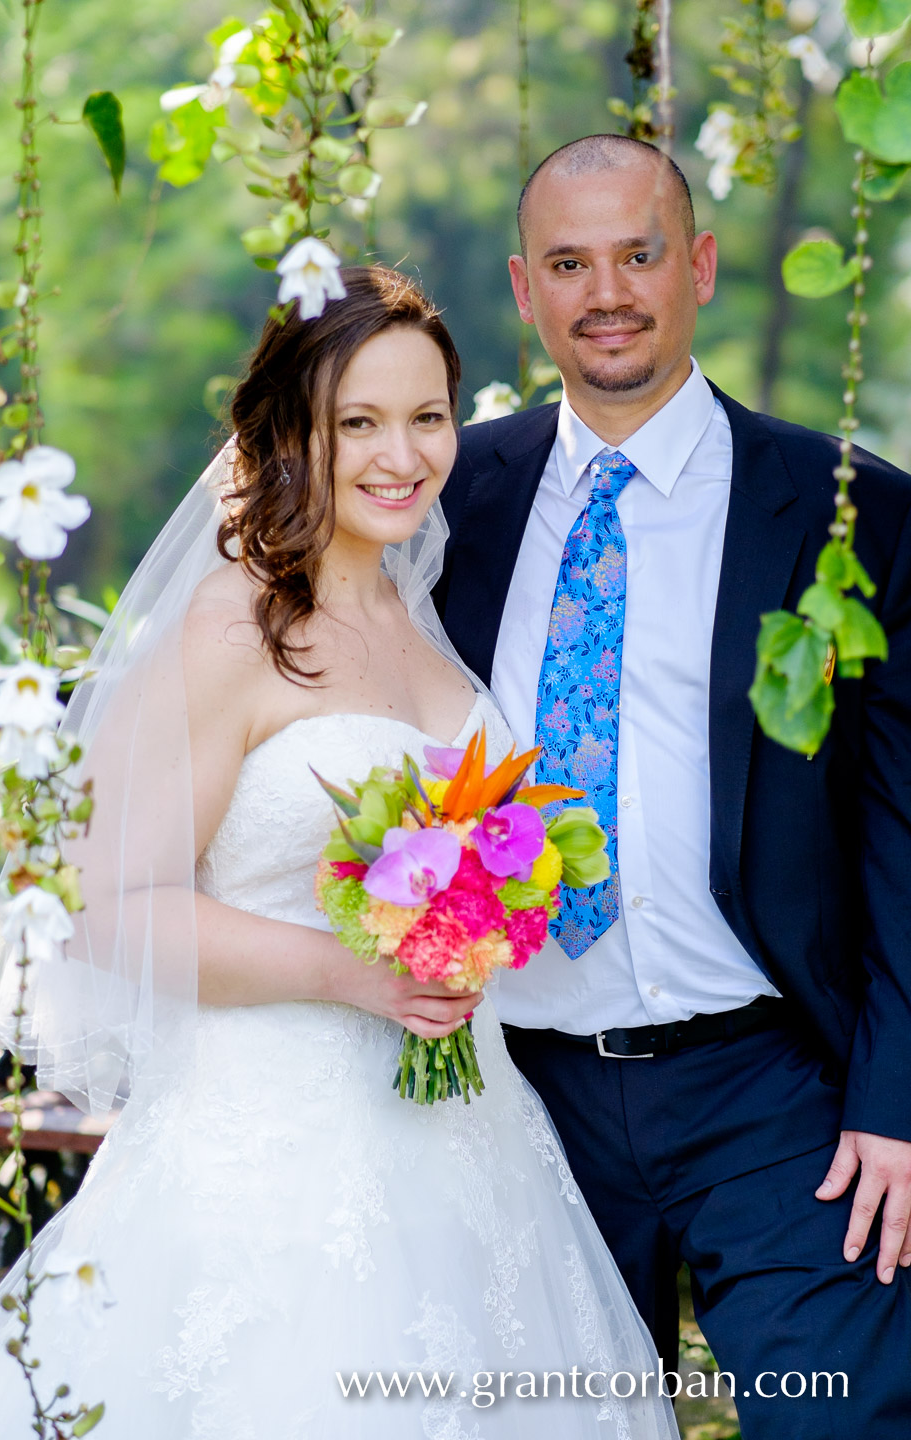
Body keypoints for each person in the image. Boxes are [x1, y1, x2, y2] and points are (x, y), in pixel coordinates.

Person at [0, 266, 677, 1439]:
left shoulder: (428, 626)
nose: (404, 454)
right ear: (293, 434)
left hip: (473, 1144)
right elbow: (112, 909)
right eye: (360, 422)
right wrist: (355, 969)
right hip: (273, 1162)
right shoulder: (238, 625)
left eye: (429, 416)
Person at [434, 133, 911, 1438]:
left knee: (840, 1422)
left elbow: (905, 836)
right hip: (521, 1093)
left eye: (639, 254)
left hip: (772, 1092)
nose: (609, 292)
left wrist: (899, 1109)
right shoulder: (450, 504)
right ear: (526, 292)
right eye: (570, 264)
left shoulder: (850, 515)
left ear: (695, 266)